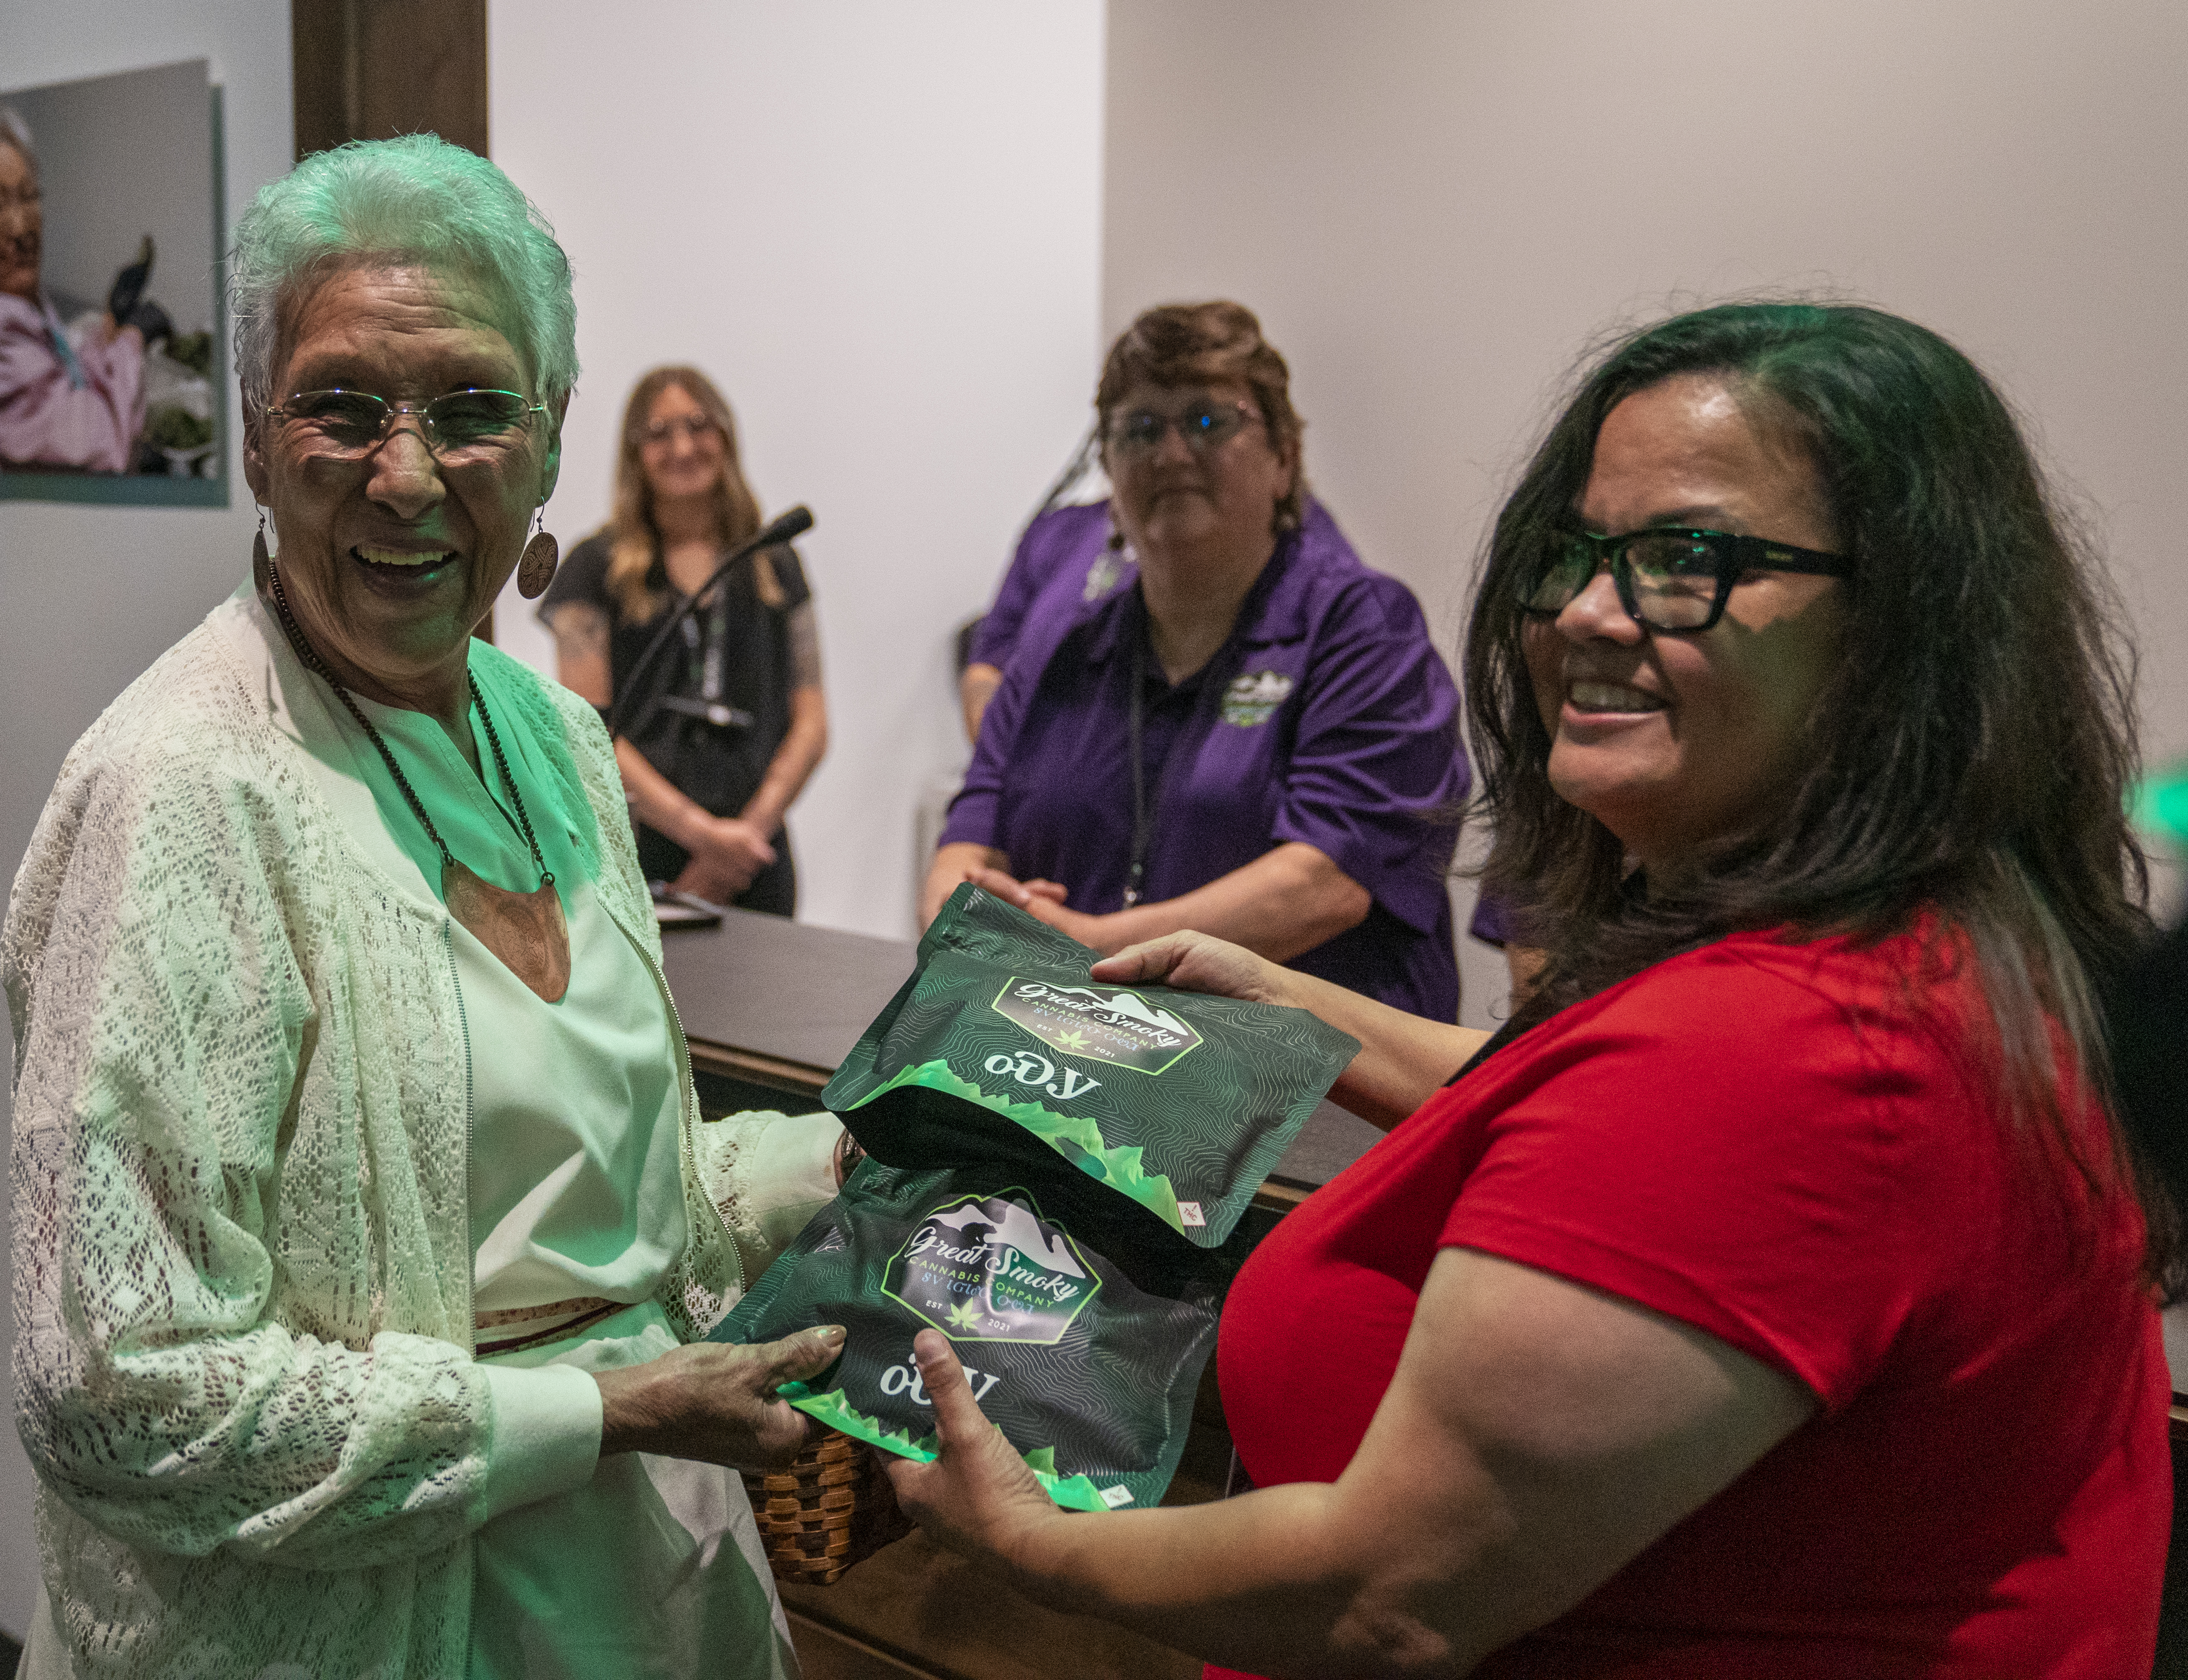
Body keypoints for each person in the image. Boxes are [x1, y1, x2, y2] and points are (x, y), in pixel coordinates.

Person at [886, 302, 2172, 1676]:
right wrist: (1277, 997)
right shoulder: (1907, 948)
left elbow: (1386, 1593)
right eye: (1573, 554)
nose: (1582, 613)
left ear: (1899, 622)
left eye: (1683, 560)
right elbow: (1568, 1114)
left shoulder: (1778, 1055)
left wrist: (1026, 1541)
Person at [6, 135, 855, 1678]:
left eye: (471, 412)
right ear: (259, 447)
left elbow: (595, 1218)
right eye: (342, 406)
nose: (405, 473)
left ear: (541, 454)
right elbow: (113, 1390)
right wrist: (594, 1413)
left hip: (658, 1598)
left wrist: (839, 1158)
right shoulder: (177, 797)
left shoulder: (560, 744)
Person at [924, 301, 1469, 1021]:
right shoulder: (1059, 650)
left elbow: (1322, 883)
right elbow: (968, 843)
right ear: (1109, 477)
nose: (1172, 454)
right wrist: (974, 913)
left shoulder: (1362, 630)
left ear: (1283, 460)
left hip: (1308, 1086)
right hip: (1086, 1061)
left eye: (1209, 422)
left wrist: (1089, 948)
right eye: (1139, 430)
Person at [541, 366, 826, 915]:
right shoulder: (591, 569)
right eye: (659, 433)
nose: (683, 447)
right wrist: (702, 837)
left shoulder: (776, 561)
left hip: (757, 854)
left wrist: (743, 838)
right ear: (635, 454)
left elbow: (813, 724)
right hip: (642, 852)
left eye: (699, 425)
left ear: (726, 436)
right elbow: (590, 732)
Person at [0, 105, 149, 473]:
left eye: (29, 196)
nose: (21, 229)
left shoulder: (22, 299)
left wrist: (110, 323)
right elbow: (104, 445)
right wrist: (132, 341)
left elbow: (66, 383)